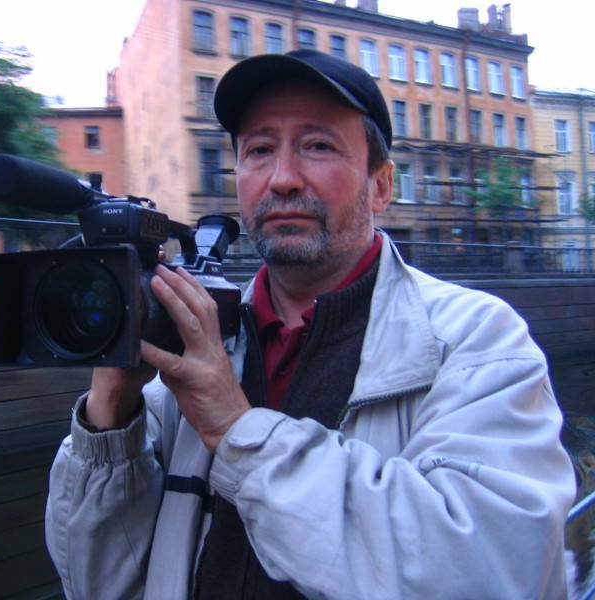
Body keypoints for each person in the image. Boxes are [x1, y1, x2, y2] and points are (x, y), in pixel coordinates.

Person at [44, 49, 576, 599]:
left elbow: (489, 572)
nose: (282, 179)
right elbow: (96, 583)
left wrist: (235, 428)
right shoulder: (190, 345)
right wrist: (110, 413)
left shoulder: (478, 341)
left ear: (380, 185)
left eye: (318, 146)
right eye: (259, 150)